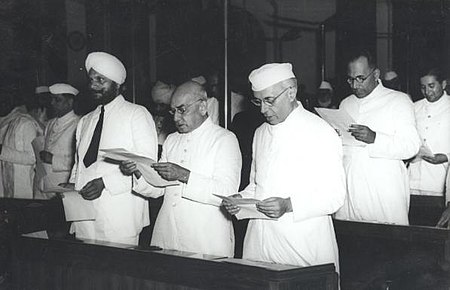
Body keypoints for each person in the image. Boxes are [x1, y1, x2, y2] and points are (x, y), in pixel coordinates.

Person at [223, 63, 346, 270]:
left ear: (291, 92)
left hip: (301, 244)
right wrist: (241, 199)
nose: (263, 109)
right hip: (259, 244)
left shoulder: (320, 132)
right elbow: (257, 184)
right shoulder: (261, 132)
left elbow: (335, 196)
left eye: (269, 100)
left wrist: (289, 205)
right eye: (258, 101)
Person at [120, 80, 241, 257]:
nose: (176, 118)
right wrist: (138, 170)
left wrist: (184, 175)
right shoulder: (171, 140)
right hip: (167, 234)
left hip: (206, 239)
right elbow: (158, 189)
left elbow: (227, 193)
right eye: (173, 111)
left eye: (182, 110)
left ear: (202, 107)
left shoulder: (224, 139)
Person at [67, 52, 158, 245]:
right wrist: (71, 185)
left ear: (117, 85)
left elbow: (146, 167)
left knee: (119, 274)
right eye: (91, 80)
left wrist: (105, 183)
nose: (93, 85)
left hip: (119, 216)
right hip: (84, 216)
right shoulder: (85, 120)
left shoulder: (136, 114)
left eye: (101, 80)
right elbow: (79, 164)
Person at [334, 50, 420, 225]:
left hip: (383, 193)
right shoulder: (346, 103)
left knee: (387, 246)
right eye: (350, 79)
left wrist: (375, 138)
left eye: (360, 78)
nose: (355, 85)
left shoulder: (398, 101)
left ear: (376, 74)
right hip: (350, 191)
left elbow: (411, 146)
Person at [408, 68, 450, 226]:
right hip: (412, 184)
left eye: (431, 86)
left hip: (440, 185)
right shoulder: (414, 107)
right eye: (423, 87)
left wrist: (446, 157)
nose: (427, 91)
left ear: (443, 84)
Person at [34, 83, 80, 199]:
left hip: (62, 186)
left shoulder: (79, 124)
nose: (52, 103)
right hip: (43, 184)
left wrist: (53, 159)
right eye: (52, 99)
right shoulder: (50, 123)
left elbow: (80, 160)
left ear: (70, 102)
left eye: (57, 100)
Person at [0, 92, 45, 198]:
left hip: (23, 186)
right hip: (4, 186)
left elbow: (32, 157)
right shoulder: (4, 124)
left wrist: (2, 151)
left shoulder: (26, 123)